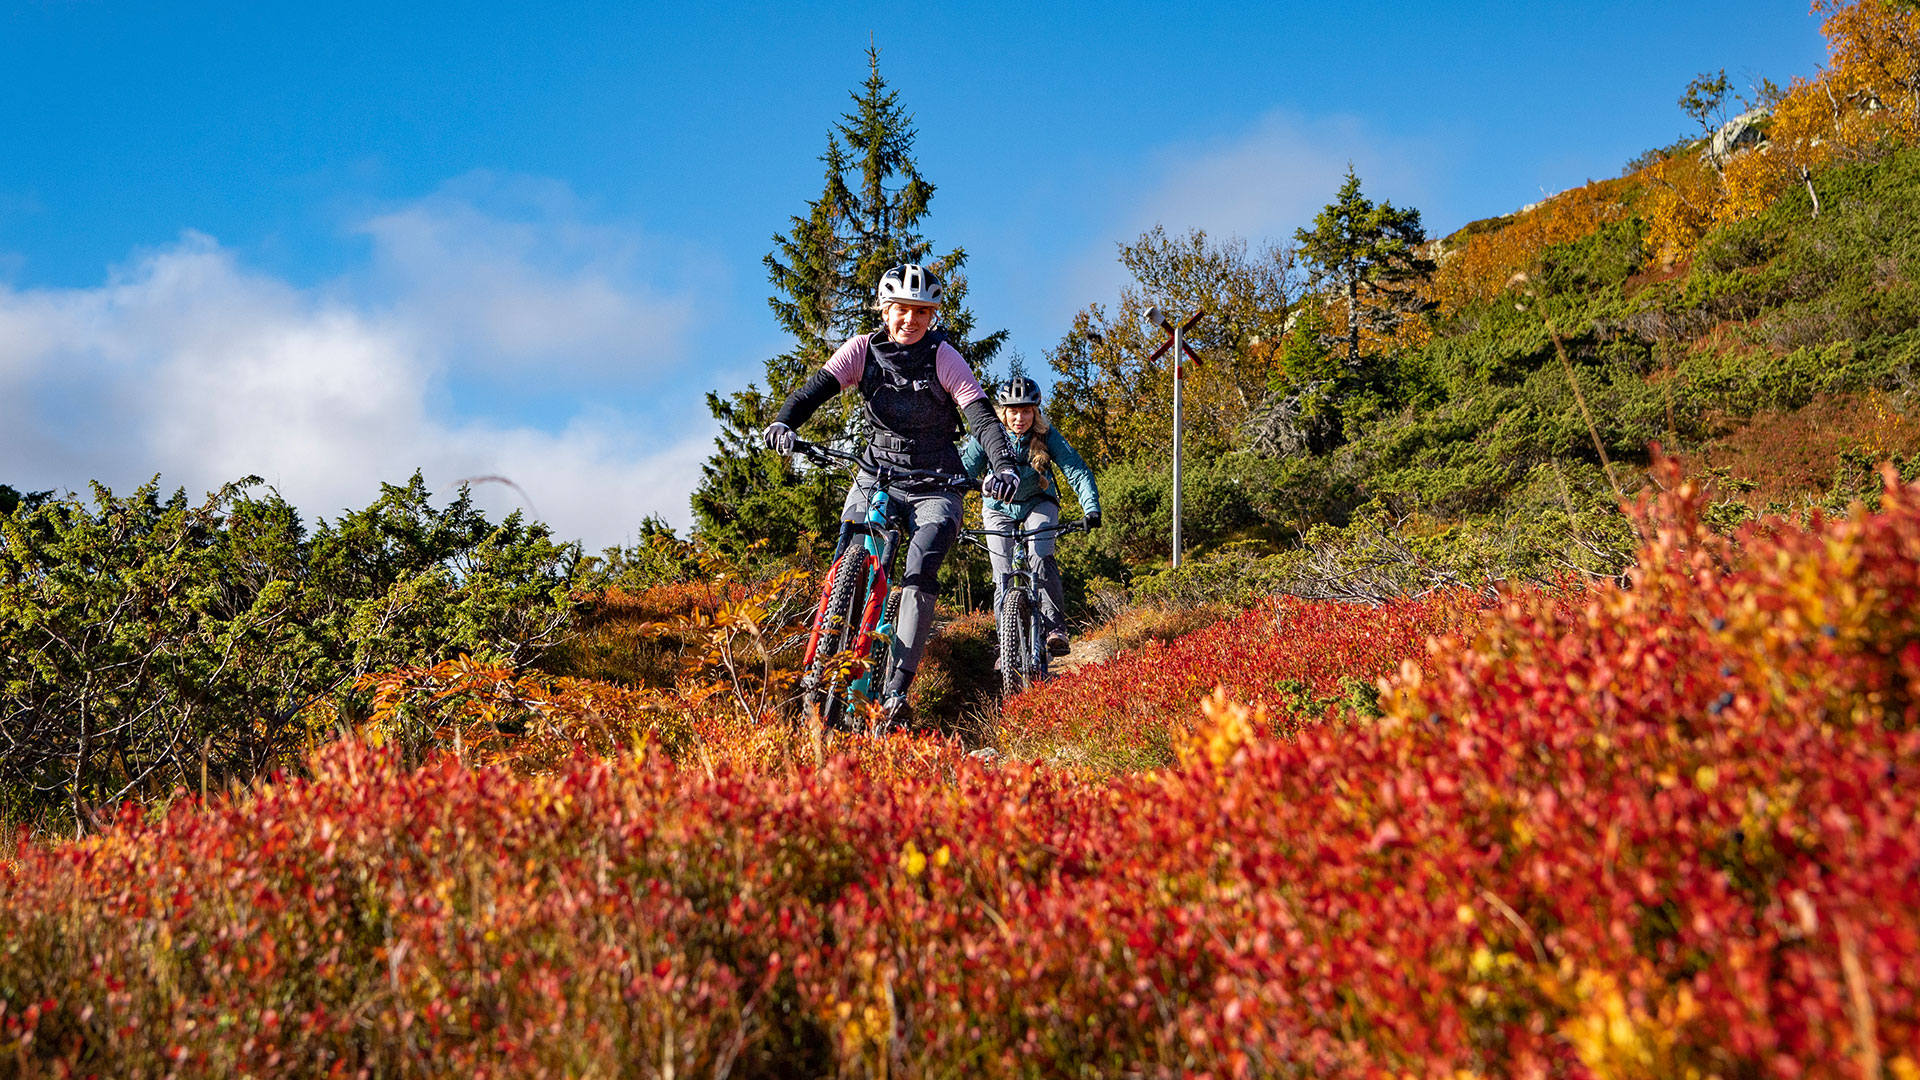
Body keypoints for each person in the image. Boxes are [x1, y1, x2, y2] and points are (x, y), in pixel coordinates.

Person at [762, 263, 1019, 721]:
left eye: (922, 311)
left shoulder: (944, 356)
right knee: (849, 548)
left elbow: (981, 417)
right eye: (902, 309)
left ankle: (897, 690)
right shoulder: (861, 351)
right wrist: (784, 421)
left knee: (920, 568)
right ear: (885, 310)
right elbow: (812, 391)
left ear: (932, 315)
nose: (911, 320)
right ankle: (823, 656)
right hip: (876, 472)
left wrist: (1003, 465)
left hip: (935, 483)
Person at [960, 376, 1102, 658]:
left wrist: (1091, 508)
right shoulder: (988, 434)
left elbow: (1076, 469)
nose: (1019, 417)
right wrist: (951, 513)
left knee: (1040, 554)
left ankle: (1054, 629)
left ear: (1035, 412)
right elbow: (963, 472)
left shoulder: (1047, 435)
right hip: (997, 507)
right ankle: (1006, 644)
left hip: (1039, 502)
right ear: (1003, 411)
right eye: (1013, 411)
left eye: (1026, 411)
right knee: (1001, 572)